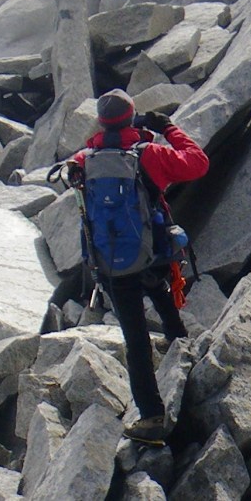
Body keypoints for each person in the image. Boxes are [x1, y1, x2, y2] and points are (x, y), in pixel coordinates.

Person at [66, 88, 208, 442]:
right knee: (161, 292)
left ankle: (151, 417)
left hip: (110, 265)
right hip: (153, 255)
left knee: (136, 341)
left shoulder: (85, 158)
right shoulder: (149, 154)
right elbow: (198, 162)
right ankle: (183, 349)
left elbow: (75, 170)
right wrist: (167, 127)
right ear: (132, 117)